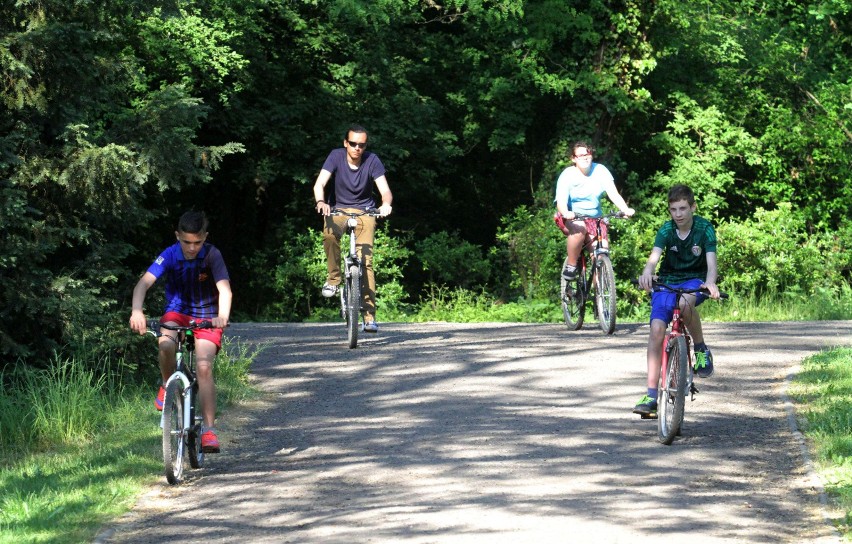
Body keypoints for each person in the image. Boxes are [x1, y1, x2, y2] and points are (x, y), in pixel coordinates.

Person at [129, 210, 232, 453]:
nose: (192, 247)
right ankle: (167, 385)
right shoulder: (169, 255)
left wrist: (222, 317)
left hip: (207, 315)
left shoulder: (212, 255)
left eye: (197, 242)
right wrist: (137, 311)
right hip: (177, 311)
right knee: (165, 344)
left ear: (205, 237)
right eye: (186, 242)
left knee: (204, 367)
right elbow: (143, 283)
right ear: (177, 236)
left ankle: (209, 431)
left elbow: (225, 290)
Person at [633, 184, 720, 417]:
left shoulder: (705, 228)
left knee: (684, 305)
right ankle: (651, 394)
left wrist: (710, 283)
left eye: (683, 208)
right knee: (656, 329)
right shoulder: (666, 230)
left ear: (693, 207)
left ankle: (700, 348)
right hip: (668, 281)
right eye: (673, 209)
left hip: (695, 281)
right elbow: (653, 260)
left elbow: (712, 264)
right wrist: (646, 274)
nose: (678, 214)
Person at [313, 124, 393, 333]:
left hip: (365, 212)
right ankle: (333, 279)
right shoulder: (336, 156)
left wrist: (385, 205)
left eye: (362, 145)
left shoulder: (372, 160)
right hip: (338, 209)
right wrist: (321, 202)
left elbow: (385, 191)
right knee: (329, 234)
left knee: (365, 262)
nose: (358, 148)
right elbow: (319, 184)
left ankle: (369, 316)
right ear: (345, 143)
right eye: (353, 144)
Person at [554, 141, 634, 280]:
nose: (585, 157)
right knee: (579, 228)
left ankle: (601, 298)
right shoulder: (567, 175)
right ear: (574, 158)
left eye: (588, 154)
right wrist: (567, 212)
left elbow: (613, 194)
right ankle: (571, 266)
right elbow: (560, 202)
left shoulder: (601, 170)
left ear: (592, 155)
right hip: (574, 217)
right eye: (580, 155)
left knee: (601, 254)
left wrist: (625, 209)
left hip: (595, 219)